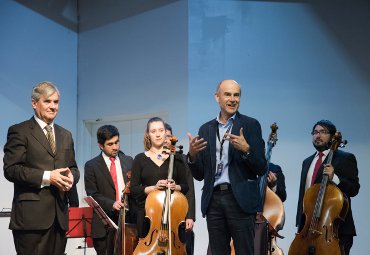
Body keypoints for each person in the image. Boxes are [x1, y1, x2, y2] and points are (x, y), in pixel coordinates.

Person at [187, 79, 266, 255]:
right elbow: (199, 174)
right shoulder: (206, 129)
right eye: (227, 94)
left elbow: (261, 167)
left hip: (240, 200)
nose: (232, 99)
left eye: (236, 95)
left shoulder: (251, 125)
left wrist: (247, 150)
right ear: (217, 97)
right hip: (213, 200)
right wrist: (192, 156)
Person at [3, 81, 79, 255]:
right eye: (47, 101)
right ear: (34, 103)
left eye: (56, 102)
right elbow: (11, 169)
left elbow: (74, 168)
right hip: (31, 219)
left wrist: (72, 177)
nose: (53, 107)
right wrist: (47, 177)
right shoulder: (19, 131)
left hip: (59, 218)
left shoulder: (66, 135)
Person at [295, 120, 360, 255]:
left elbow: (354, 188)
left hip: (335, 230)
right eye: (315, 132)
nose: (318, 135)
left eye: (323, 132)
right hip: (307, 228)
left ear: (332, 137)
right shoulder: (307, 162)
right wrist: (300, 224)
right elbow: (305, 195)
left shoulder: (345, 158)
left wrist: (335, 178)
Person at [130, 117, 189, 240]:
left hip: (172, 213)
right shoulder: (139, 159)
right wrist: (154, 188)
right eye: (153, 131)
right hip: (147, 216)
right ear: (148, 135)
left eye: (161, 130)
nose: (158, 134)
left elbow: (185, 186)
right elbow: (134, 189)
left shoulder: (176, 158)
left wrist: (175, 186)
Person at [84, 125, 136, 255]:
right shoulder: (91, 166)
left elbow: (135, 188)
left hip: (128, 222)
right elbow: (92, 194)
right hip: (104, 225)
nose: (115, 147)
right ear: (100, 145)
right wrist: (111, 203)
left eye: (117, 142)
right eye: (110, 144)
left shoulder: (129, 161)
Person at [165, 122, 196, 255]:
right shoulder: (153, 159)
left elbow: (189, 187)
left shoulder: (182, 159)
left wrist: (190, 216)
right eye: (163, 136)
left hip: (179, 212)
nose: (167, 139)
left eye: (169, 136)